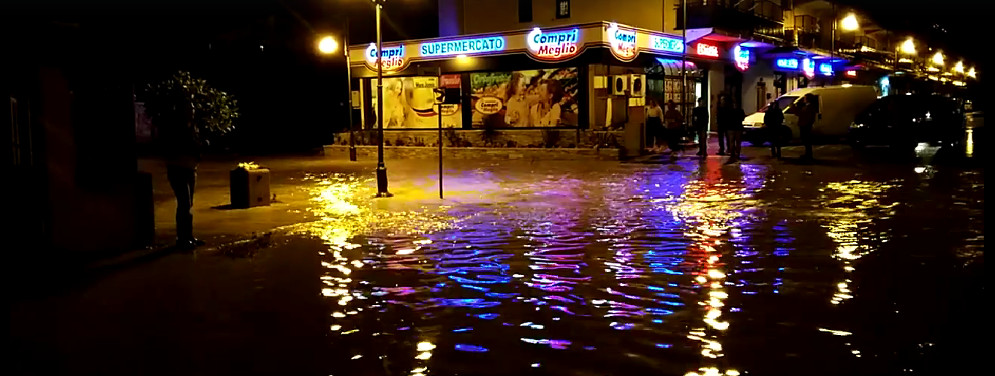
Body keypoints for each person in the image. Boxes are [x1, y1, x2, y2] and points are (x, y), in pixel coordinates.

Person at [159, 103, 204, 249]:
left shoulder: (192, 127)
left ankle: (188, 236)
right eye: (188, 109)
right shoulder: (176, 128)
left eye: (192, 109)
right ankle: (182, 238)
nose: (191, 111)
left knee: (188, 203)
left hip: (190, 168)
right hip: (178, 168)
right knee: (184, 202)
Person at [720, 98, 746, 162]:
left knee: (732, 141)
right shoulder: (740, 111)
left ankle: (732, 154)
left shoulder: (729, 111)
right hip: (737, 128)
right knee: (737, 142)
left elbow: (727, 119)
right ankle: (737, 154)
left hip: (731, 128)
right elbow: (743, 118)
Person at [797, 94, 818, 160]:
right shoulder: (806, 107)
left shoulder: (810, 107)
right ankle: (807, 154)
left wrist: (806, 124)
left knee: (807, 141)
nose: (804, 99)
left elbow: (809, 117)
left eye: (805, 98)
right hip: (804, 125)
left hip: (806, 126)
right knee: (806, 141)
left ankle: (809, 155)